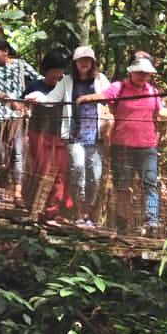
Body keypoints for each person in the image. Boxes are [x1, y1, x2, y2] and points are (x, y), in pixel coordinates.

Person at [77, 53, 167, 237]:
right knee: (123, 186)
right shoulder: (120, 87)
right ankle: (123, 223)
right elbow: (103, 96)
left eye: (146, 73)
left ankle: (152, 221)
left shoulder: (152, 91)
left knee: (150, 183)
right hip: (122, 146)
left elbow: (161, 112)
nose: (142, 76)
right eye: (139, 72)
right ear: (131, 72)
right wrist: (86, 98)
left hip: (147, 146)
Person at [26, 46, 111, 227]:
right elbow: (51, 99)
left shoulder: (101, 79)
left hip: (95, 136)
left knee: (95, 176)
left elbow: (110, 98)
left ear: (93, 62)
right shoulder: (66, 81)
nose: (84, 64)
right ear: (75, 63)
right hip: (74, 135)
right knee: (78, 170)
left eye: (88, 60)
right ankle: (80, 213)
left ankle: (89, 212)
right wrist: (37, 96)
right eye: (81, 60)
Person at [0, 39, 42, 205]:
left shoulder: (20, 66)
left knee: (18, 154)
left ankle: (18, 193)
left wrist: (33, 98)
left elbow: (39, 80)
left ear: (5, 51)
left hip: (16, 117)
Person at [22, 49, 71, 221]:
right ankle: (33, 207)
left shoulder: (66, 87)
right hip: (38, 132)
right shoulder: (35, 86)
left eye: (60, 71)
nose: (57, 75)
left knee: (60, 173)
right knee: (40, 169)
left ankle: (52, 210)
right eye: (54, 70)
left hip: (61, 134)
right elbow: (21, 105)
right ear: (46, 70)